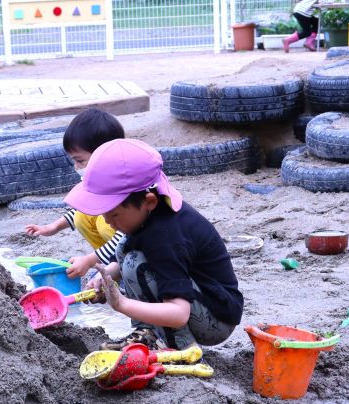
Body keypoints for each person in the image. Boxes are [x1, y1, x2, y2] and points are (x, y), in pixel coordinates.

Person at [65, 139, 243, 351]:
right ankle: (147, 334)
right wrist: (105, 279)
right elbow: (123, 260)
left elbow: (179, 314)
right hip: (198, 300)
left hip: (216, 318)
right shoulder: (148, 215)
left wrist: (122, 304)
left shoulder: (166, 236)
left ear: (149, 201)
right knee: (124, 250)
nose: (109, 222)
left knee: (136, 265)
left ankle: (176, 345)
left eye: (113, 214)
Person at [24, 108, 126, 278]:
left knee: (104, 222)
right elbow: (84, 208)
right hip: (117, 247)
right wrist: (53, 227)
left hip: (136, 244)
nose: (77, 168)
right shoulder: (100, 179)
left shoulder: (124, 184)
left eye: (80, 161)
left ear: (104, 154)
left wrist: (89, 260)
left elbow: (125, 236)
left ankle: (119, 265)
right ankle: (112, 265)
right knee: (82, 216)